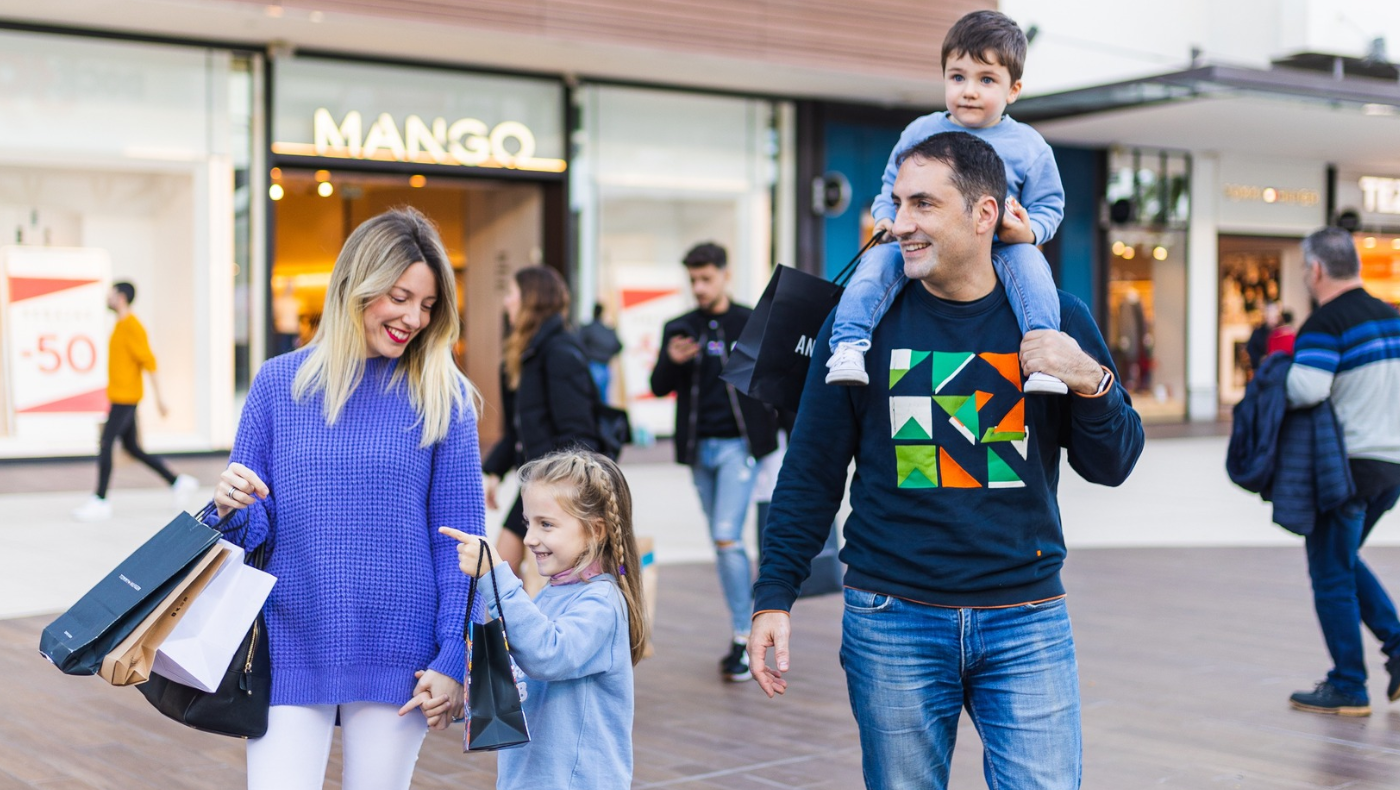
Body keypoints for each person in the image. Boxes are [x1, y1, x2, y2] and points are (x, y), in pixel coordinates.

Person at [748, 132, 1143, 790]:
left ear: (984, 214)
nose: (899, 223)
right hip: (892, 617)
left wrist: (1087, 377)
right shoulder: (861, 326)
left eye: (923, 205)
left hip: (1026, 618)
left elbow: (1114, 463)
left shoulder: (1055, 319)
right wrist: (772, 598)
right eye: (898, 203)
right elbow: (812, 471)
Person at [212, 208, 481, 789]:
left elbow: (464, 547)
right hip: (291, 639)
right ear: (356, 285)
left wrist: (452, 659)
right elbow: (252, 532)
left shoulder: (446, 396)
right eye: (400, 296)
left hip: (401, 650)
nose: (413, 318)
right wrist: (231, 506)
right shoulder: (278, 384)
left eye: (428, 305)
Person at [825, 10, 1068, 396]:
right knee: (874, 264)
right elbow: (890, 184)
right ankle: (849, 346)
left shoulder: (1030, 146)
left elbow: (1050, 205)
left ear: (1013, 90)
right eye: (957, 77)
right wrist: (888, 219)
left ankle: (1044, 359)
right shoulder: (921, 131)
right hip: (919, 244)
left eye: (986, 79)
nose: (968, 90)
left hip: (1004, 244)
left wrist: (1030, 230)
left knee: (1035, 268)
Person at [440, 450, 646, 790]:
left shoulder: (602, 603)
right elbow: (522, 681)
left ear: (596, 531)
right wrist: (463, 701)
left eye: (546, 524)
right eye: (528, 523)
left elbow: (547, 655)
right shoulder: (550, 594)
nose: (529, 538)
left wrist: (497, 577)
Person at [1284, 227, 1400, 717]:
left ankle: (1349, 683)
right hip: (1392, 467)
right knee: (1343, 560)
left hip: (1345, 471)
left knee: (1330, 573)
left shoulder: (1326, 323)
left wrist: (1278, 374)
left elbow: (1306, 388)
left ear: (1315, 269)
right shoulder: (1391, 317)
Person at [651, 242, 778, 682]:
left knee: (727, 537)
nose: (699, 288)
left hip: (738, 447)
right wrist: (673, 360)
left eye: (706, 278)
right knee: (722, 540)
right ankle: (743, 630)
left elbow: (774, 379)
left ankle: (745, 635)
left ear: (725, 274)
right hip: (697, 449)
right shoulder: (679, 327)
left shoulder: (749, 321)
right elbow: (658, 383)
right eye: (693, 280)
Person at [482, 267, 602, 575]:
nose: (506, 303)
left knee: (506, 571)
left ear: (531, 300)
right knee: (502, 570)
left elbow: (580, 435)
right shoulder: (521, 357)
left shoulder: (560, 352)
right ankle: (515, 624)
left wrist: (560, 488)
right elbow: (517, 432)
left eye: (511, 295)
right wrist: (492, 471)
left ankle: (524, 624)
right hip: (534, 485)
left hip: (556, 490)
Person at [72, 281, 197, 522]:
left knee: (107, 443)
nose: (107, 297)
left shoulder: (132, 326)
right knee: (132, 447)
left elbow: (149, 362)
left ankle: (100, 500)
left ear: (120, 297)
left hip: (126, 398)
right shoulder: (120, 325)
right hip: (120, 396)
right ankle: (177, 482)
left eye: (111, 293)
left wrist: (161, 399)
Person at [579, 303, 623, 402]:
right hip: (605, 367)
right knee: (603, 400)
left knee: (589, 399)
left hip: (592, 365)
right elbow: (619, 346)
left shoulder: (588, 328)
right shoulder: (608, 330)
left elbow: (579, 343)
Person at [1246, 301, 1282, 372]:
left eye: (1274, 315)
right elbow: (1251, 348)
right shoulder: (1258, 332)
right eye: (1270, 315)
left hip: (1277, 370)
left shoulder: (1281, 333)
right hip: (1261, 370)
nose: (1272, 319)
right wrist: (1260, 359)